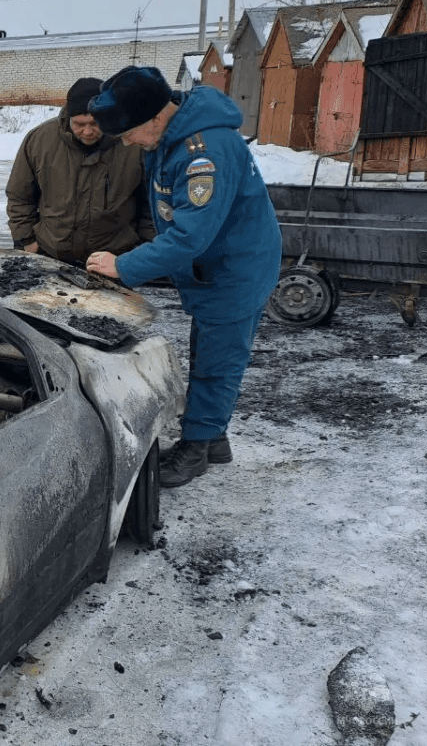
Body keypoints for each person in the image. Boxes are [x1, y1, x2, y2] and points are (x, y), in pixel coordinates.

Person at [84, 65, 282, 488]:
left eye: (129, 133)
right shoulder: (173, 137)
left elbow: (191, 235)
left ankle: (196, 453)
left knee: (217, 363)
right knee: (208, 352)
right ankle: (213, 439)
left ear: (156, 116)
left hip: (234, 269)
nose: (127, 143)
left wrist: (125, 267)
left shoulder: (203, 153)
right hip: (216, 267)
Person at [5, 77, 155, 265]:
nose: (87, 131)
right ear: (68, 116)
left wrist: (141, 250)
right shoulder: (40, 140)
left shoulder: (133, 143)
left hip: (113, 260)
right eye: (79, 124)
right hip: (50, 254)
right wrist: (27, 240)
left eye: (95, 123)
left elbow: (152, 203)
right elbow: (19, 196)